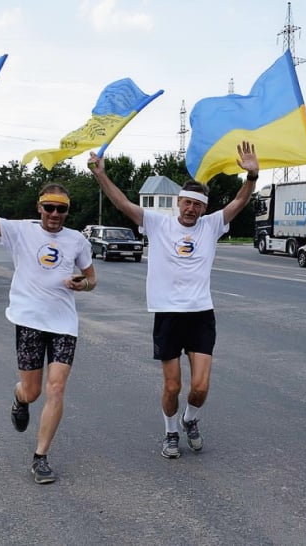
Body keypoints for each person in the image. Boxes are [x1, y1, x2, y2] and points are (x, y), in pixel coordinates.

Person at [87, 141, 259, 459]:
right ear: (178, 202)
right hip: (167, 314)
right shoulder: (158, 223)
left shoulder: (211, 227)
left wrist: (251, 178)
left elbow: (238, 203)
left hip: (200, 314)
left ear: (204, 208)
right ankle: (170, 432)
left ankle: (190, 420)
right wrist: (101, 175)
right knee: (172, 387)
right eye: (187, 203)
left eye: (197, 205)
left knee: (201, 386)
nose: (191, 209)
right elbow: (122, 202)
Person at [0, 153, 96, 483]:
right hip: (29, 321)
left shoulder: (77, 240)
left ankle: (40, 456)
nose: (55, 215)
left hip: (64, 325)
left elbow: (92, 278)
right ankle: (19, 399)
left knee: (56, 388)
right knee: (33, 392)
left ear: (67, 211)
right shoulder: (20, 231)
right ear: (39, 207)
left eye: (61, 209)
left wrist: (82, 284)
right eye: (49, 208)